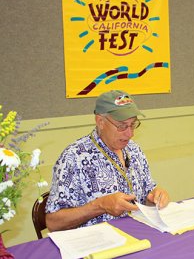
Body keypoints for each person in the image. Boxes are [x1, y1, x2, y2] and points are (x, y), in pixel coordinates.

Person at [45, 90, 169, 231]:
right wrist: (99, 206)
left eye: (133, 124)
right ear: (101, 122)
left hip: (138, 234)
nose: (130, 134)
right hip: (98, 245)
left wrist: (154, 198)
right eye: (122, 126)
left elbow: (146, 198)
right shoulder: (74, 157)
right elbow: (53, 223)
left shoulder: (134, 150)